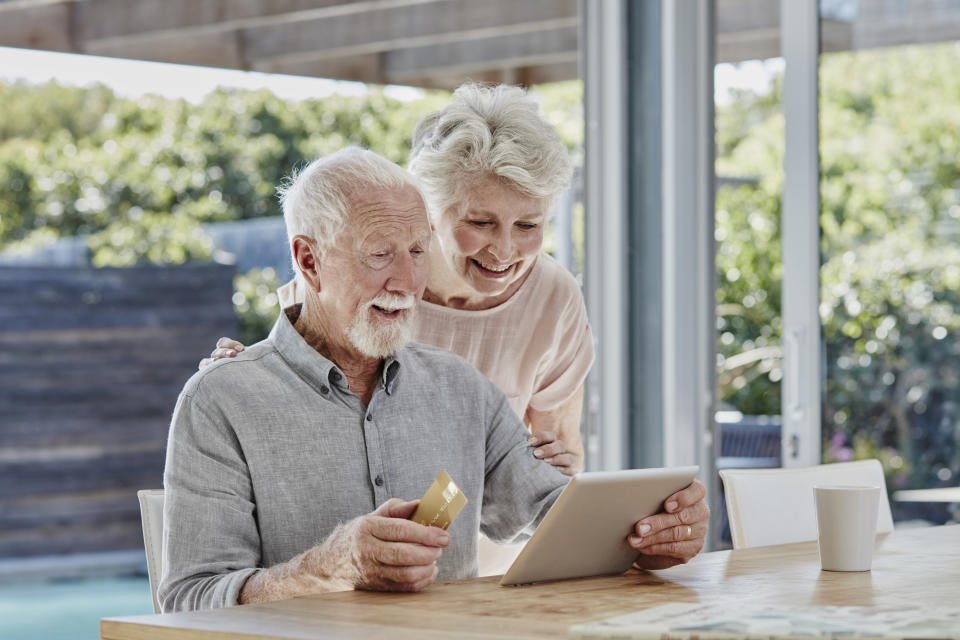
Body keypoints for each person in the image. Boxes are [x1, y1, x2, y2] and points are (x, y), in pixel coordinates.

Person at [159, 148, 709, 612]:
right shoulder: (222, 401)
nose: (406, 281)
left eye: (419, 250)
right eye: (380, 254)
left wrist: (651, 536)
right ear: (308, 259)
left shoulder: (460, 387)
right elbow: (188, 598)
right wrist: (328, 568)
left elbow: (552, 514)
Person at [202, 83, 592, 478]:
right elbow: (298, 424)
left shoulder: (554, 299)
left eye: (528, 224)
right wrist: (246, 382)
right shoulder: (358, 281)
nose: (505, 250)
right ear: (430, 212)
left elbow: (559, 468)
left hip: (499, 536)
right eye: (480, 222)